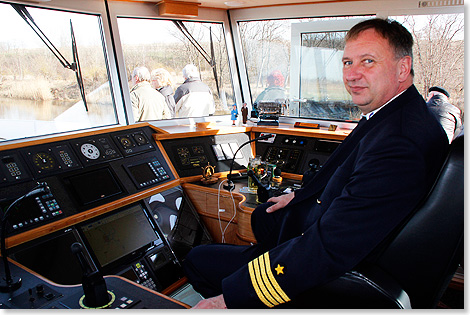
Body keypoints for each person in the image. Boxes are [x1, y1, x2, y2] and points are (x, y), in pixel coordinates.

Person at [183, 18, 449, 309]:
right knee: (264, 217)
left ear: (402, 68)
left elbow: (331, 246)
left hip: (335, 274)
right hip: (324, 236)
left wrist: (228, 299)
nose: (352, 74)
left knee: (198, 261)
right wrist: (296, 196)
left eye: (368, 61)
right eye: (347, 62)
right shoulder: (392, 116)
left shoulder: (399, 142)